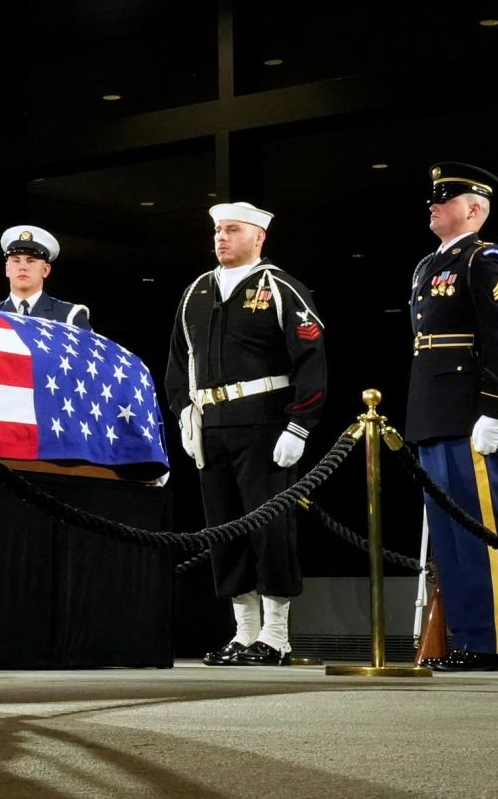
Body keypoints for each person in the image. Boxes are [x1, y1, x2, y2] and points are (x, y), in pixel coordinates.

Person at [164, 201, 326, 666]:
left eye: (232, 230)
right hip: (211, 425)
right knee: (225, 531)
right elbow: (179, 361)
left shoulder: (280, 287)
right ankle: (244, 631)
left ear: (258, 237)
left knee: (270, 528)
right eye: (217, 230)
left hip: (265, 424)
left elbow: (312, 361)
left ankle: (276, 634)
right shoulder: (196, 290)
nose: (221, 238)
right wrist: (183, 414)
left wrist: (300, 424)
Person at [406, 162, 498, 672]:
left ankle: (490, 643)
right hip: (433, 409)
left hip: (467, 411)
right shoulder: (428, 265)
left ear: (474, 208)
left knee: (477, 531)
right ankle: (465, 638)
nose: (433, 203)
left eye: (445, 197)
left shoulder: (482, 259)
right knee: (449, 538)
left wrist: (496, 408)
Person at [0, 226, 91, 328]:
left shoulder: (69, 316)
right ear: (7, 269)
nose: (22, 267)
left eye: (31, 261)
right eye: (16, 260)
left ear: (45, 270)